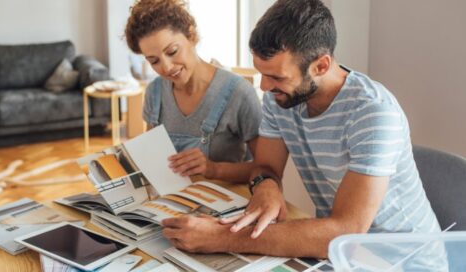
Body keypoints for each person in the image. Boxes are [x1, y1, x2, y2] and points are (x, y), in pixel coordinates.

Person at [161, 0, 442, 262]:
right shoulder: (280, 98)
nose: (264, 88)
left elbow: (345, 233)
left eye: (276, 77)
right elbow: (266, 166)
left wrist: (221, 237)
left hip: (402, 261)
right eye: (262, 73)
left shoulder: (374, 114)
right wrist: (266, 186)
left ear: (321, 65)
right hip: (341, 254)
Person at [124, 0, 262, 183]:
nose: (166, 67)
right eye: (154, 61)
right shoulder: (154, 93)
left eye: (172, 51)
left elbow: (265, 170)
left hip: (226, 204)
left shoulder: (239, 93)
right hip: (172, 205)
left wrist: (214, 169)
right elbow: (153, 160)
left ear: (191, 35)